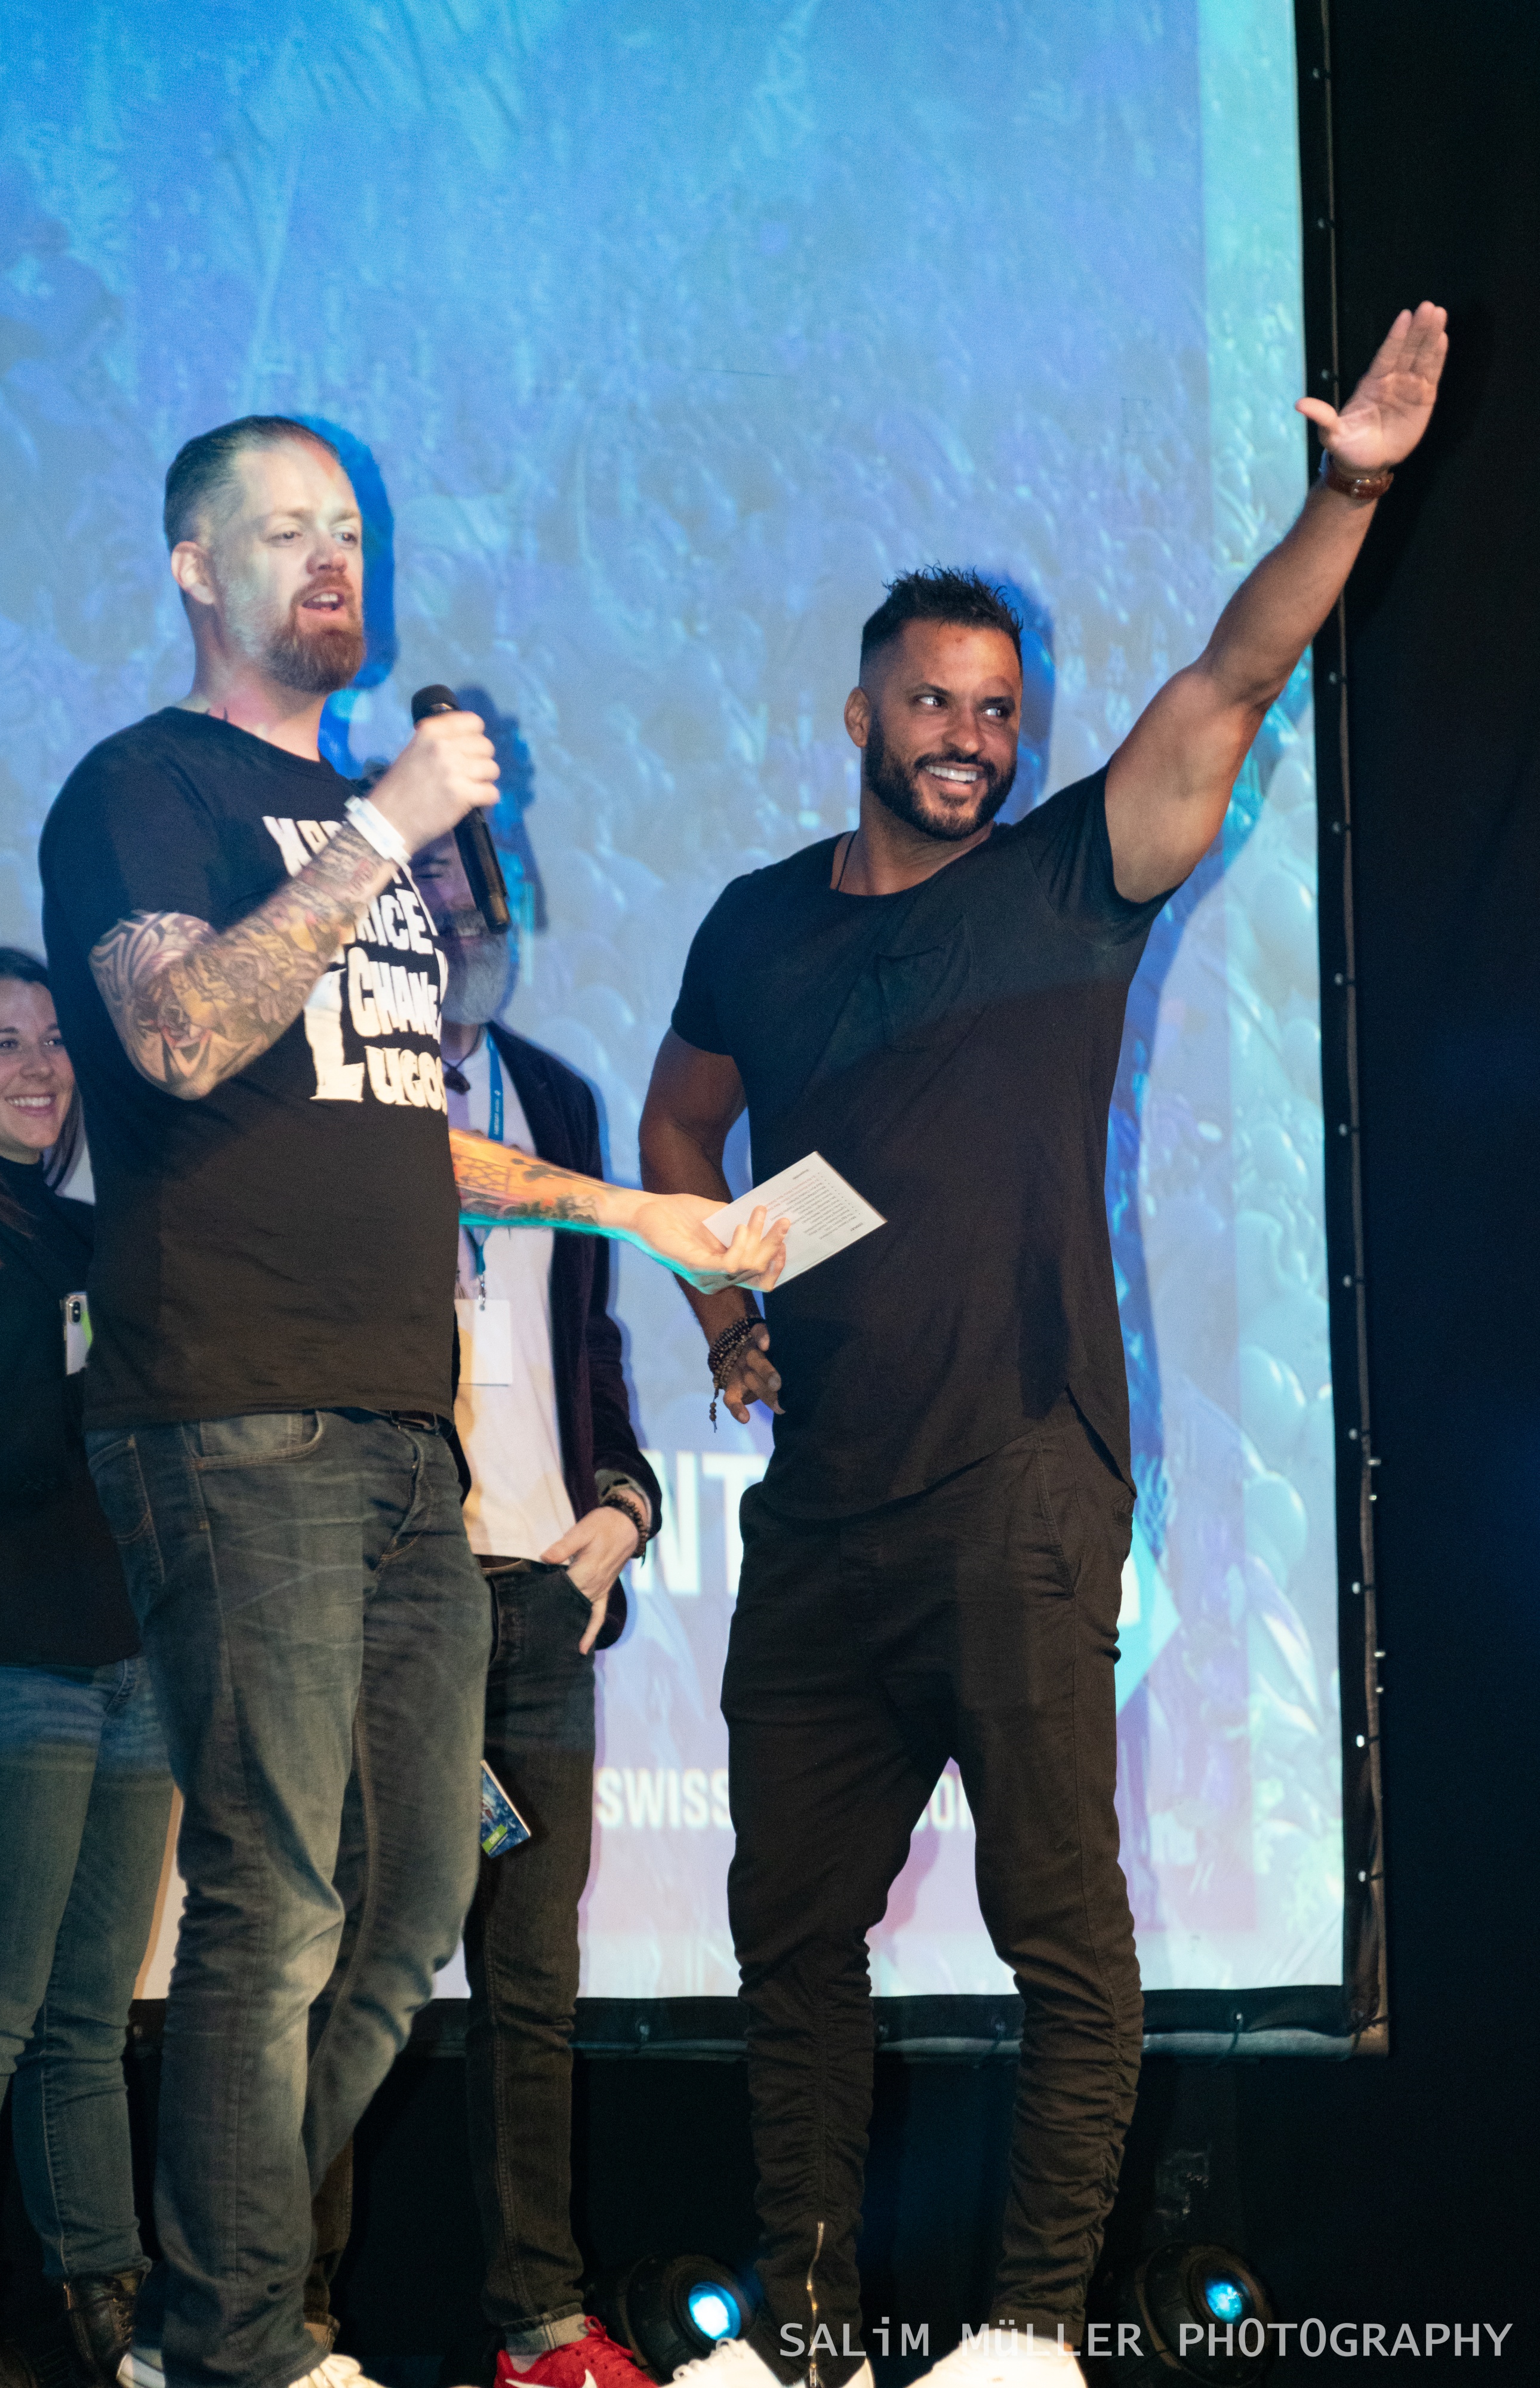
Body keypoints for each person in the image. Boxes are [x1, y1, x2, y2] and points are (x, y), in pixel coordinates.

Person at [638, 307, 1447, 2384]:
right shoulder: (754, 924)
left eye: (995, 710)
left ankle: (1023, 2339)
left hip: (1018, 1480)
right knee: (784, 1936)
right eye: (931, 700)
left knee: (1058, 1933)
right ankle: (804, 2333)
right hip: (820, 1514)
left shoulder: (1071, 882)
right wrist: (724, 1310)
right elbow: (677, 1129)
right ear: (858, 713)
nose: (966, 737)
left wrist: (1341, 493)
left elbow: (1234, 673)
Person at [36, 414, 784, 2388]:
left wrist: (627, 1208)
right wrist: (383, 827)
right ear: (194, 568)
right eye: (284, 530)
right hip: (235, 1410)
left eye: (350, 532)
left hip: (396, 1435)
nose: (329, 560)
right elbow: (181, 1033)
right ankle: (236, 2339)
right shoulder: (146, 788)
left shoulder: (358, 842)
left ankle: (207, 2309)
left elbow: (389, 1129)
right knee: (274, 1898)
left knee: (409, 1907)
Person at [307, 833, 663, 2388]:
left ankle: (541, 2326)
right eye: (425, 898)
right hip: (385, 1593)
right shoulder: (327, 1095)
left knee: (532, 1991)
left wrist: (623, 1506)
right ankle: (285, 2322)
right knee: (339, 1968)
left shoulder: (555, 1097)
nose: (457, 920)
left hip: (539, 1598)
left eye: (476, 893)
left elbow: (585, 1341)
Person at [0, 949, 172, 2388]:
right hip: (5, 1656)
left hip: (132, 1658)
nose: (40, 1065)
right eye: (0, 1041)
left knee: (89, 2016)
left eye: (52, 1038)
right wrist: (88, 1372)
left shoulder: (95, 1233)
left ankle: (109, 2311)